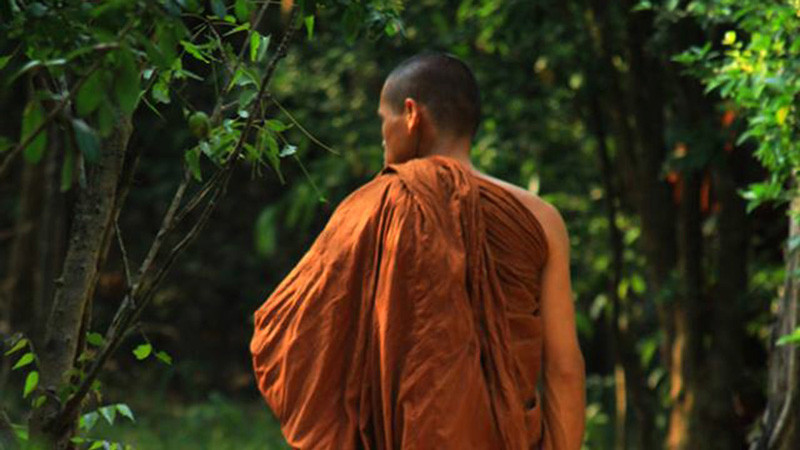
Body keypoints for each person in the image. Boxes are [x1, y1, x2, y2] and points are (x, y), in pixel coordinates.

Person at [250, 52, 585, 449]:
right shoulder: (539, 219)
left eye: (383, 120)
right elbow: (564, 369)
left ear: (411, 115)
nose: (382, 136)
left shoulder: (369, 210)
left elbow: (295, 339)